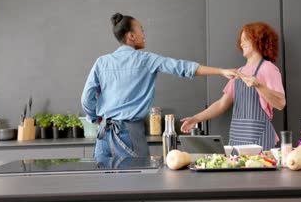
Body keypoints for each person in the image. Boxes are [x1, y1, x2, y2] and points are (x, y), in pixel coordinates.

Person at [81, 12, 237, 160]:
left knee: (103, 182)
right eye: (141, 30)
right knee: (135, 182)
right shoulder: (146, 59)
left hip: (103, 134)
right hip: (129, 133)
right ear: (131, 36)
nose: (144, 34)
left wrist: (96, 119)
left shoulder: (102, 62)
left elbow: (86, 99)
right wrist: (221, 71)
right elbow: (182, 67)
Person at [180, 22, 286, 150]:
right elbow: (221, 104)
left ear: (259, 40)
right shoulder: (239, 72)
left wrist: (259, 85)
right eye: (240, 41)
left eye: (245, 40)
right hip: (237, 136)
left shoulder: (268, 68)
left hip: (259, 136)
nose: (241, 44)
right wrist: (196, 119)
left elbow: (280, 103)